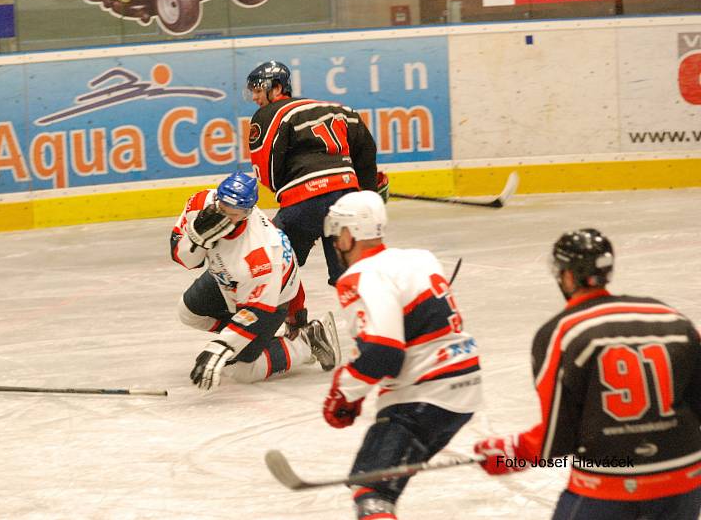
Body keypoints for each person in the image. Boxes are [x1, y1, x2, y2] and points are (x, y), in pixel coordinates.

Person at [473, 228, 701, 520]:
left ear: (567, 276)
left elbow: (560, 434)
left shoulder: (563, 332)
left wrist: (512, 452)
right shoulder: (670, 317)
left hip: (611, 478)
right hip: (683, 476)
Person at [320, 190, 482, 520]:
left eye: (337, 235)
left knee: (373, 492)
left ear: (350, 234)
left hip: (425, 395)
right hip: (465, 385)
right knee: (380, 483)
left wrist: (343, 393)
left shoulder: (359, 277)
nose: (336, 243)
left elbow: (383, 352)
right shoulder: (419, 257)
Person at [169, 171, 340, 390]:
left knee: (242, 371)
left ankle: (307, 341)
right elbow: (185, 260)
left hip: (271, 302)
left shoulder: (261, 251)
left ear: (247, 213)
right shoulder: (200, 202)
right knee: (187, 312)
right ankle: (249, 342)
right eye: (222, 207)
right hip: (226, 280)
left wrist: (221, 346)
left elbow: (255, 311)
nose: (224, 217)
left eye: (234, 213)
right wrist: (196, 238)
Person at [244, 60, 389, 299]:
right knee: (349, 273)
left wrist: (300, 210)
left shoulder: (268, 114)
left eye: (258, 91)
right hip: (346, 199)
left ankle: (293, 324)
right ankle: (383, 315)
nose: (255, 98)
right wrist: (367, 192)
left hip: (304, 201)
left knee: (272, 267)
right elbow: (365, 149)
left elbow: (267, 171)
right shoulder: (339, 109)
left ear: (278, 88)